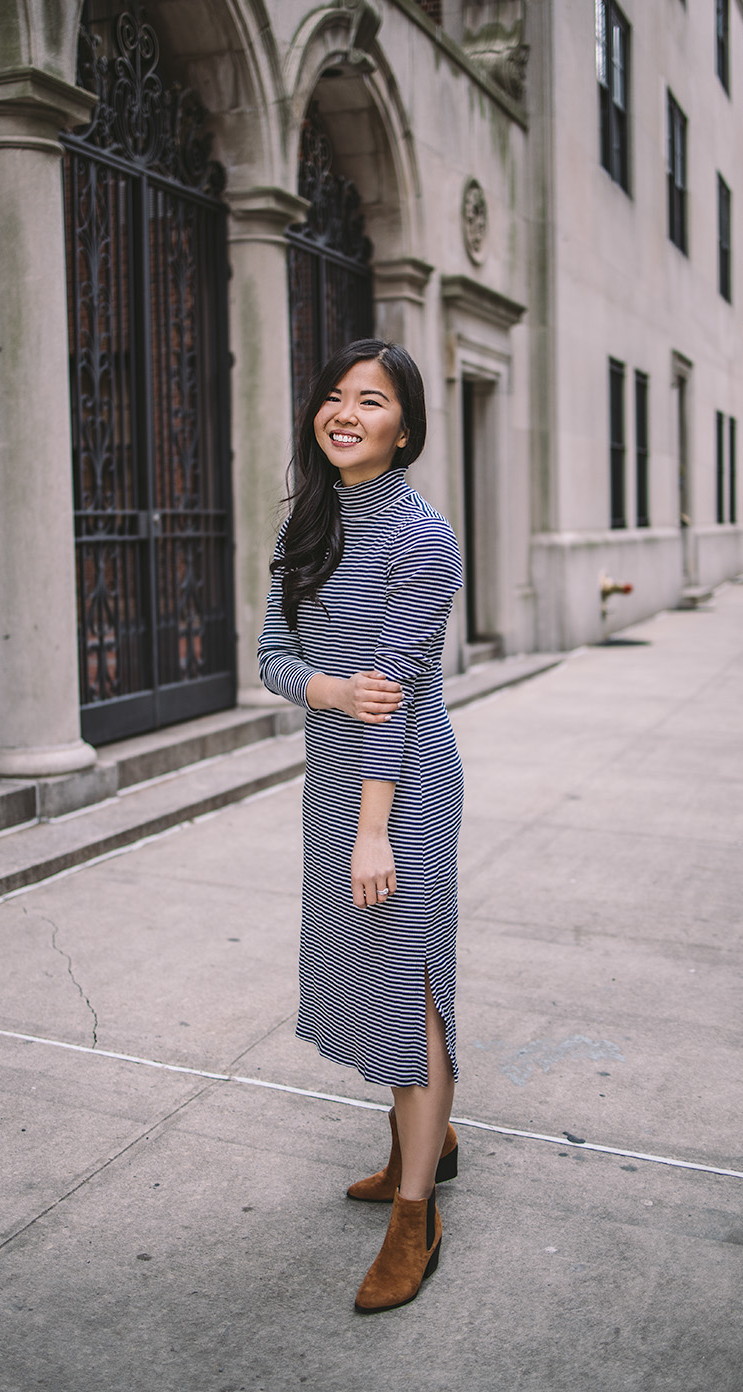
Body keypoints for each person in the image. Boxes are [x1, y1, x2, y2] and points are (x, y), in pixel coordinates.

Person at [257, 338, 464, 1313]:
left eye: (369, 400)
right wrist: (325, 685)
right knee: (368, 973)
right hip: (332, 777)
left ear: (405, 428)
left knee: (408, 979)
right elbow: (270, 656)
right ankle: (421, 1139)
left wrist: (373, 830)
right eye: (333, 397)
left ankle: (414, 1214)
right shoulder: (305, 524)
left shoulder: (424, 538)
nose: (343, 412)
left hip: (405, 781)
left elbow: (392, 695)